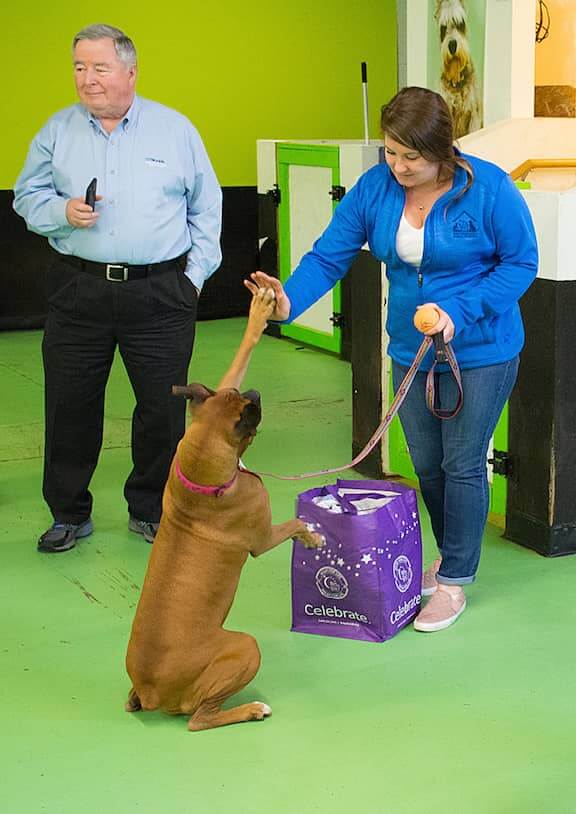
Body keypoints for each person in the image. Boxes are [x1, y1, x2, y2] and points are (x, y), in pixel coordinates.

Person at [244, 86, 538, 633]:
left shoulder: (489, 188)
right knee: (426, 464)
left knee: (464, 463)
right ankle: (450, 555)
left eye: (412, 157)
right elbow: (327, 256)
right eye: (391, 152)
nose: (399, 166)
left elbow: (521, 263)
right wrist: (285, 299)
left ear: (443, 149)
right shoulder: (375, 188)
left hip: (482, 349)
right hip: (411, 350)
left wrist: (460, 309)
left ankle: (454, 580)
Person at [13, 24, 222, 553]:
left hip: (159, 293)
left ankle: (151, 508)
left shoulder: (175, 131)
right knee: (70, 404)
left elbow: (207, 207)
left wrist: (192, 280)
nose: (88, 80)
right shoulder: (57, 130)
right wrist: (59, 211)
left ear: (130, 72)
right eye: (79, 68)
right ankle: (67, 512)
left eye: (99, 68)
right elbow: (25, 195)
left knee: (161, 407)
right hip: (78, 291)